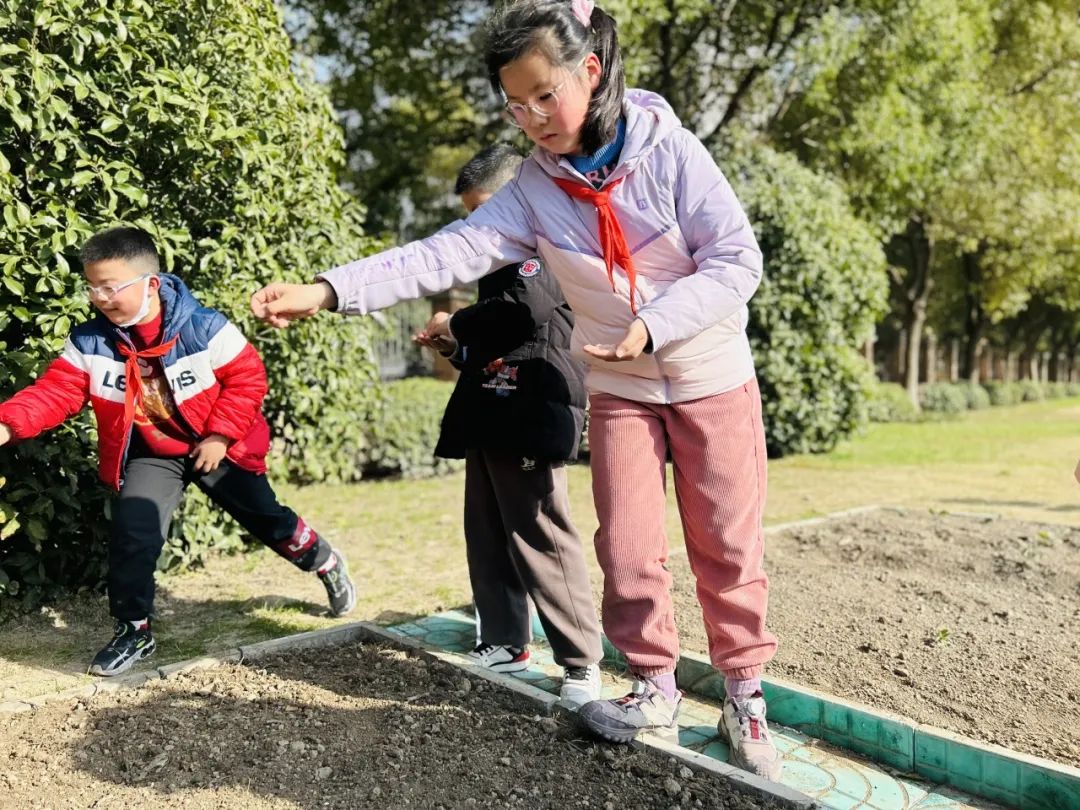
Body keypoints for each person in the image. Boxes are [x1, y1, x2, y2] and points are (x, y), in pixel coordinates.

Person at [251, 0, 781, 781]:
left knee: (726, 544)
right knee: (628, 547)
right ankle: (654, 684)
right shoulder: (536, 189)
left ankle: (743, 692)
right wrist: (328, 289)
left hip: (707, 374)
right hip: (623, 385)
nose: (532, 117)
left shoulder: (671, 153)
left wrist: (652, 325)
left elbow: (737, 261)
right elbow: (441, 253)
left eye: (545, 95)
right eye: (514, 103)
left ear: (589, 72)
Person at [0, 227, 357, 677]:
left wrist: (221, 435)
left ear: (150, 283)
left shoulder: (204, 326)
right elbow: (56, 392)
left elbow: (249, 379)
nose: (100, 298)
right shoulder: (90, 341)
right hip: (154, 452)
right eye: (92, 287)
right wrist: (7, 424)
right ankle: (134, 630)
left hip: (219, 442)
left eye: (111, 287)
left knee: (267, 519)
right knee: (134, 533)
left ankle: (323, 560)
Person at [413, 142, 603, 708]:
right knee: (489, 524)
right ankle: (504, 639)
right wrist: (456, 341)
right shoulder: (498, 253)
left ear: (520, 191)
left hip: (534, 406)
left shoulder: (545, 239)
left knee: (540, 529)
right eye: (472, 215)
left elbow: (522, 312)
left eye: (486, 209)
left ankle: (580, 661)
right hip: (494, 405)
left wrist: (455, 320)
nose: (481, 225)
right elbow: (496, 333)